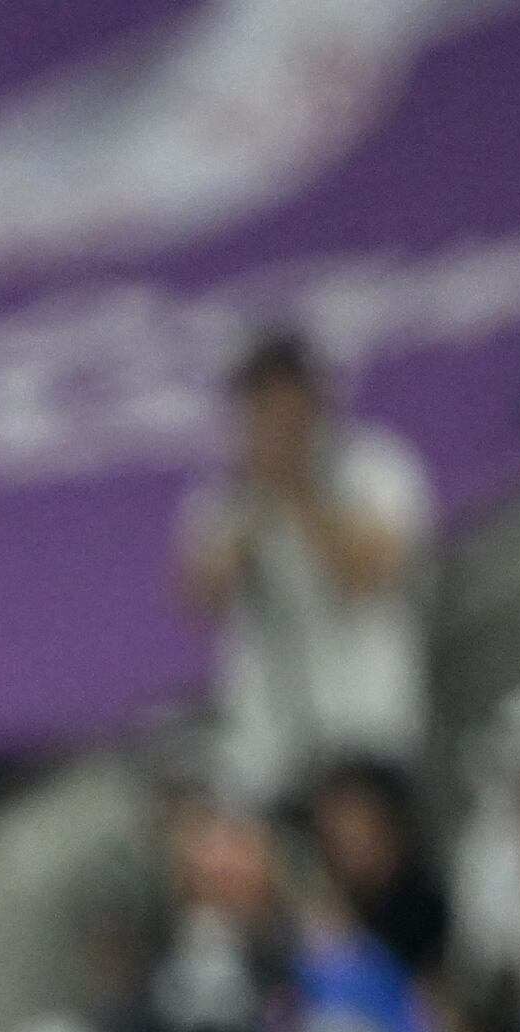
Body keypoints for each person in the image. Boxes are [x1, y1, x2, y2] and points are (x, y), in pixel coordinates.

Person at [177, 329, 433, 809]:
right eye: (262, 409)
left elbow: (370, 572)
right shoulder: (228, 495)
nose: (278, 424)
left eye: (288, 406)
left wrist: (300, 497)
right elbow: (199, 598)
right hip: (269, 742)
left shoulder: (375, 467)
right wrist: (255, 506)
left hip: (368, 720)